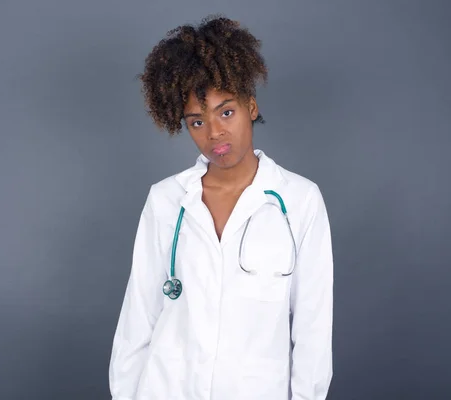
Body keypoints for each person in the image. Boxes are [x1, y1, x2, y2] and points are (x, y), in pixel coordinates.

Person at [109, 15, 334, 400]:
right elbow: (138, 320)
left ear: (250, 105)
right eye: (196, 121)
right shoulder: (166, 201)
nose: (214, 133)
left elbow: (313, 332)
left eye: (225, 112)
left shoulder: (298, 201)